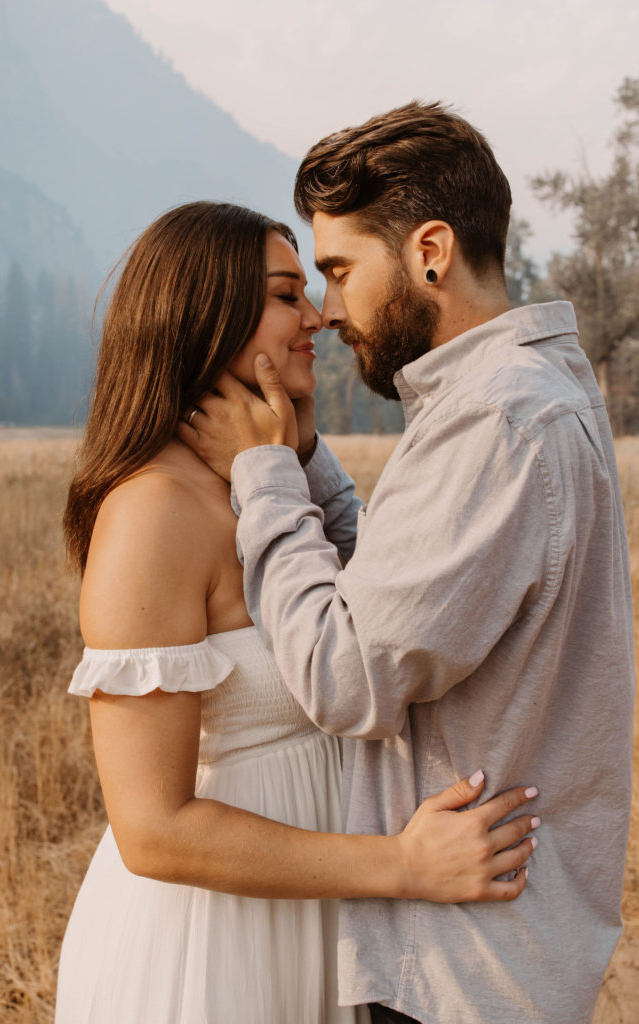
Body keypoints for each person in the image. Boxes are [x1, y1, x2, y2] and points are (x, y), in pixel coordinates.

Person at [179, 103, 635, 1024]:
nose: (329, 310)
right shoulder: (527, 391)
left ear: (429, 249)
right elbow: (402, 597)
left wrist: (264, 477)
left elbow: (345, 674)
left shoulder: (496, 420)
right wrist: (304, 458)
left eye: (341, 270)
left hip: (459, 968)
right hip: (495, 952)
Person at [55, 201, 540, 1024]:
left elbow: (365, 632)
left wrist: (294, 459)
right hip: (212, 950)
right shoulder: (154, 512)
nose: (318, 315)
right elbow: (153, 829)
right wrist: (402, 866)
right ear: (206, 315)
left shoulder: (259, 483)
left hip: (313, 919)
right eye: (288, 294)